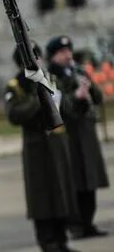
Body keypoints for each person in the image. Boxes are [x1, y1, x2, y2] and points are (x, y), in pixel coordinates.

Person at [5, 42, 79, 252]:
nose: (38, 61)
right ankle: (48, 242)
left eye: (38, 57)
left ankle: (62, 240)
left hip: (58, 143)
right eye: (32, 58)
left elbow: (68, 109)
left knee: (62, 192)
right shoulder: (16, 85)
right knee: (42, 196)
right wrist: (39, 99)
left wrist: (63, 100)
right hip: (37, 147)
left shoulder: (50, 79)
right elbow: (14, 115)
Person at [46, 35, 110, 239]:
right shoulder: (51, 78)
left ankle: (88, 222)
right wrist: (76, 96)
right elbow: (58, 107)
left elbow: (98, 98)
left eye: (68, 51)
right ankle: (76, 225)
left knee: (89, 178)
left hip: (86, 133)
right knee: (73, 180)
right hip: (68, 136)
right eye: (62, 52)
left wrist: (88, 86)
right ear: (53, 56)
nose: (67, 55)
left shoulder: (78, 71)